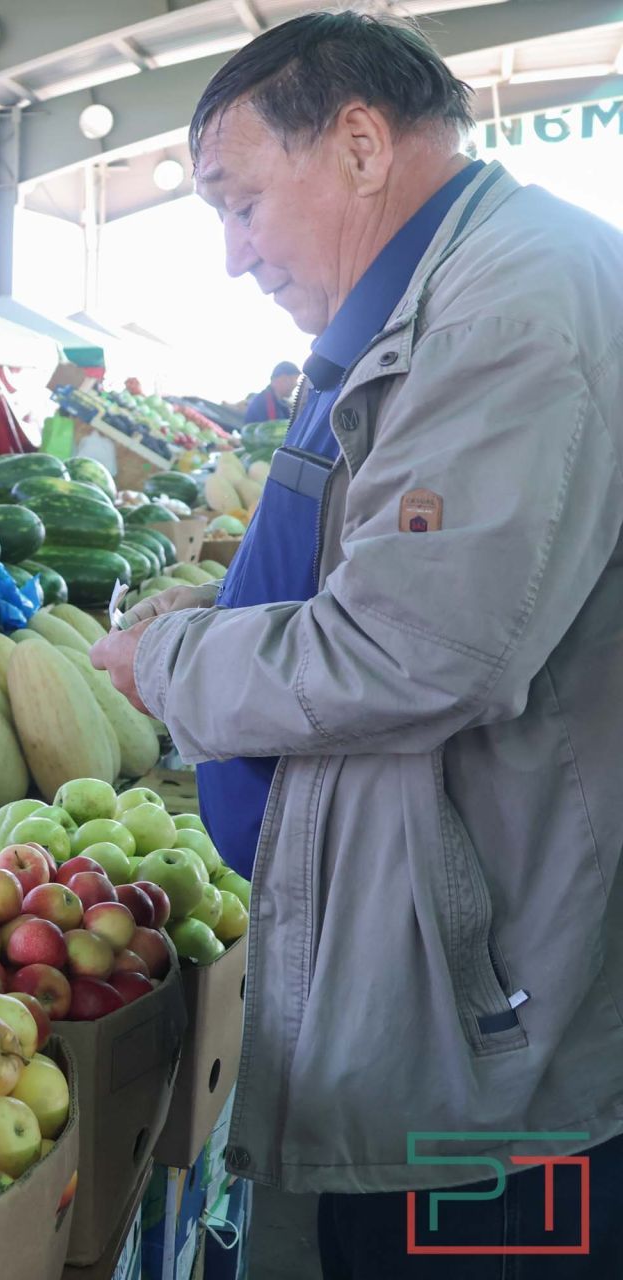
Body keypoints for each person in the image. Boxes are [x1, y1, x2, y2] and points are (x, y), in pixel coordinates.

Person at [89, 12, 623, 1276]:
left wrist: (168, 667)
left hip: (489, 1048)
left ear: (364, 145)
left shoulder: (511, 311)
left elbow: (423, 646)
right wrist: (230, 615)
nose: (232, 257)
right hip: (449, 990)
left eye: (240, 202)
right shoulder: (449, 290)